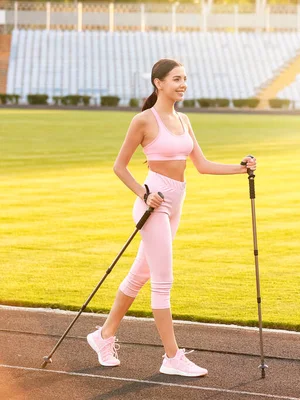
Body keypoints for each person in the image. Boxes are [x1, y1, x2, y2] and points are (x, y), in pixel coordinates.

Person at [86, 58, 257, 377]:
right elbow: (119, 166)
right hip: (154, 202)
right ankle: (172, 357)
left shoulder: (184, 120)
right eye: (176, 79)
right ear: (158, 83)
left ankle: (103, 335)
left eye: (185, 78)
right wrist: (142, 193)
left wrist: (241, 167)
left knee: (140, 274)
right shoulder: (143, 121)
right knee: (163, 281)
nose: (183, 84)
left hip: (177, 200)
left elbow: (202, 165)